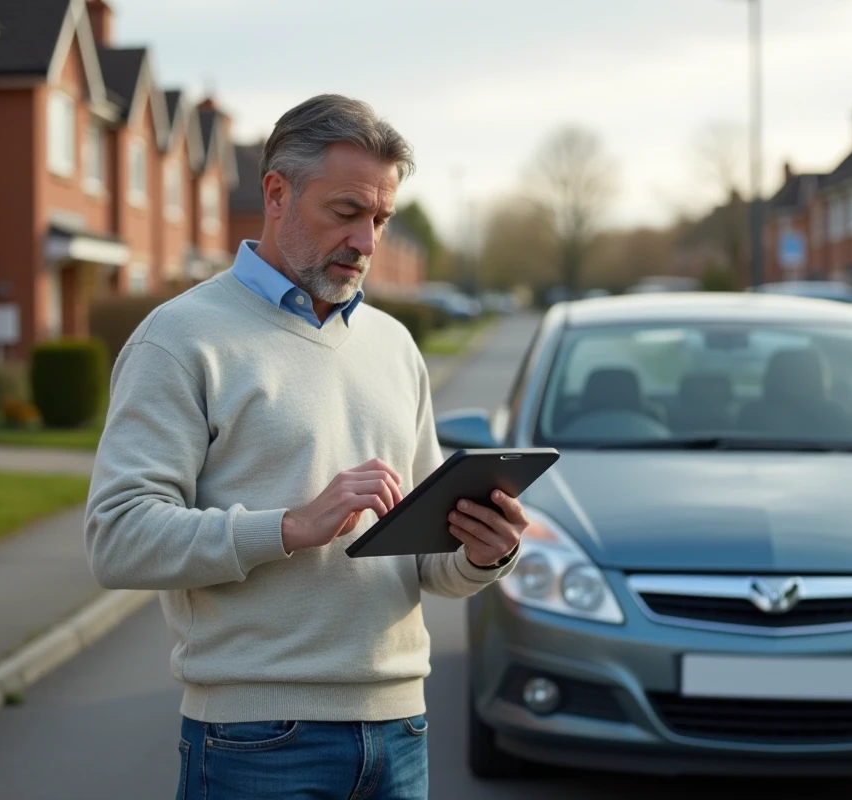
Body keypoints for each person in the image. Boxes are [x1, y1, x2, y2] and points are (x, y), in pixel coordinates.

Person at [84, 94, 527, 799]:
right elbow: (118, 538)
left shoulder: (394, 345)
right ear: (276, 192)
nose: (368, 242)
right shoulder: (179, 340)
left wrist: (482, 552)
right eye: (346, 212)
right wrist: (290, 527)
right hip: (256, 739)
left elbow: (425, 563)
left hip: (400, 730)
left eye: (380, 219)